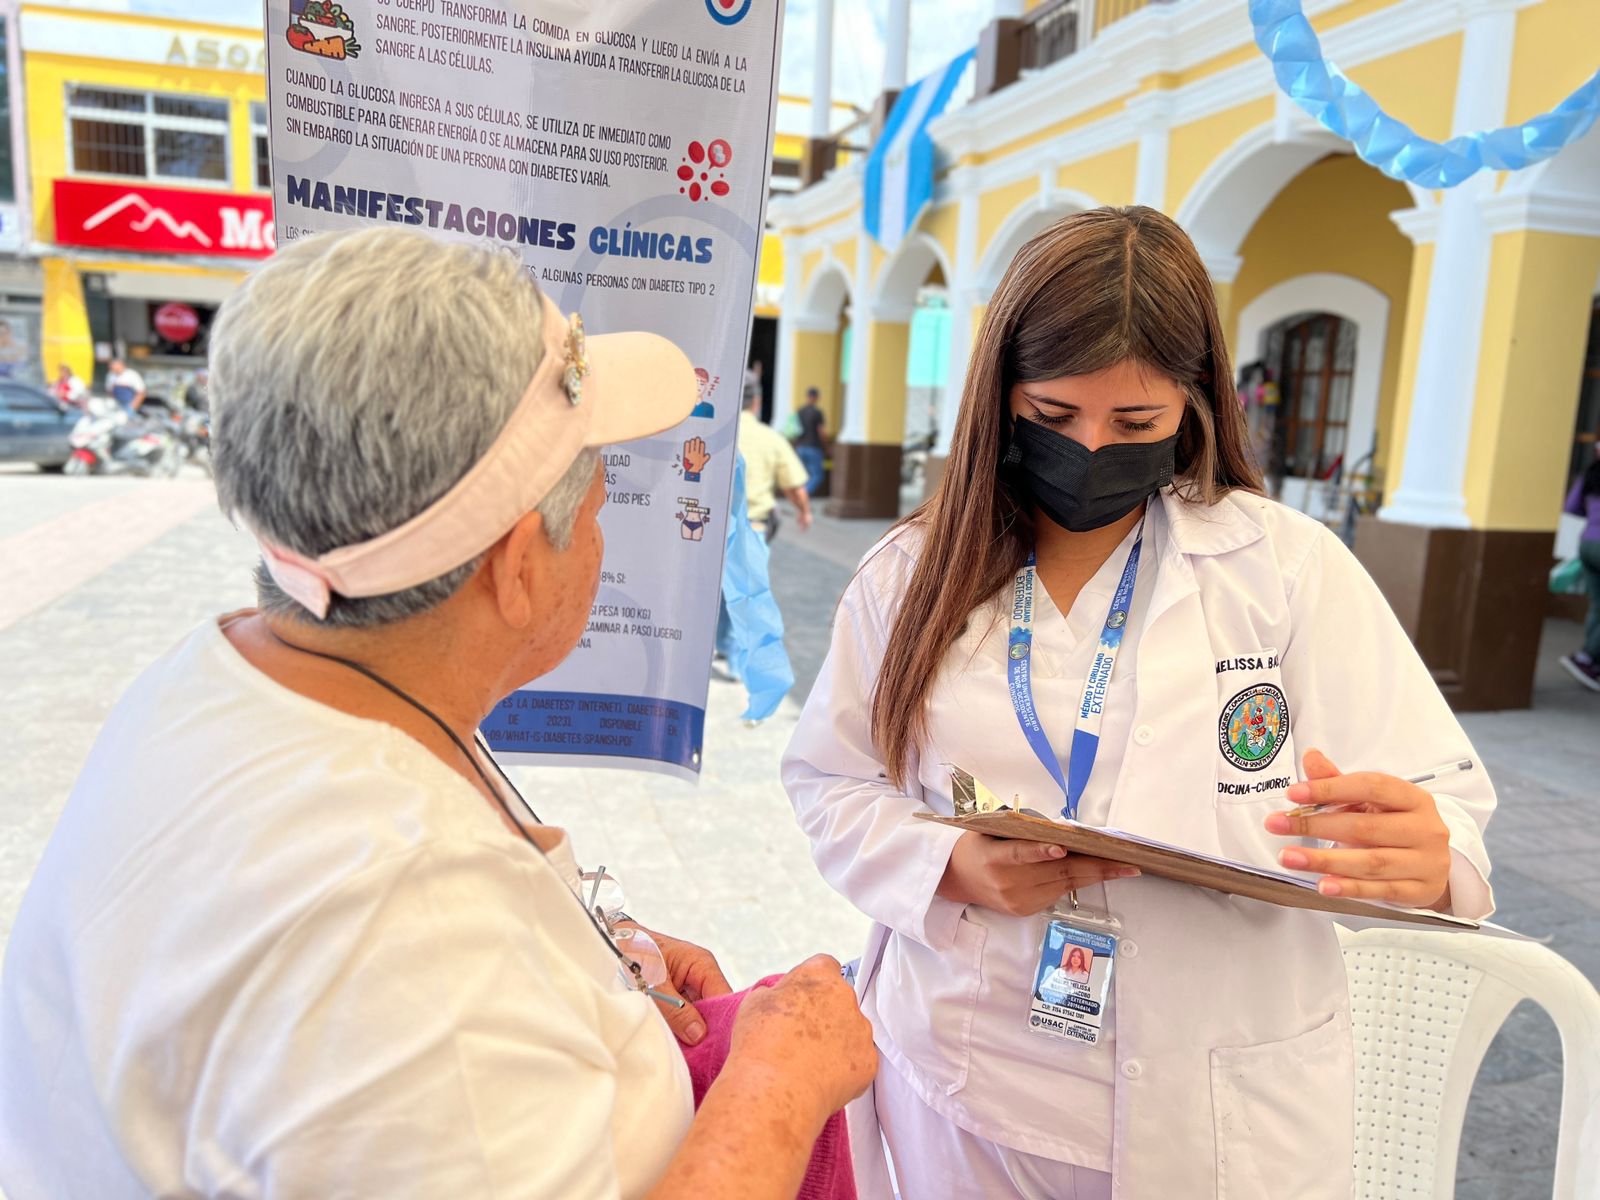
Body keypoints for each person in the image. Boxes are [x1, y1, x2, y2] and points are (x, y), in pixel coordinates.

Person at [0, 228, 875, 1199]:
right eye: (596, 509)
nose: (600, 539)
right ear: (517, 564)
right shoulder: (404, 926)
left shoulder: (238, 669)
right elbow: (407, 969)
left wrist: (577, 963)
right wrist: (779, 1083)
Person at [784, 207, 1495, 1200]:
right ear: (1000, 396)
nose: (1089, 449)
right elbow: (830, 779)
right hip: (972, 1071)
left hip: (1222, 1093)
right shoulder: (911, 574)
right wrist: (945, 865)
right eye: (1053, 415)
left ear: (1192, 407)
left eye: (1134, 424)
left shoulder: (1282, 569)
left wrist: (1428, 851)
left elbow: (1439, 797)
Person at [739, 384, 812, 541]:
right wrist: (804, 511)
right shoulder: (771, 438)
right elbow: (794, 487)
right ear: (757, 402)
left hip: (715, 523)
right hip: (755, 524)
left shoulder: (715, 437)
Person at [1559, 437, 1600, 691]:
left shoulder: (1590, 475)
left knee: (1597, 604)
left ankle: (1587, 659)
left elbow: (1571, 507)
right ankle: (1588, 658)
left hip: (1587, 543)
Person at [794, 386, 830, 496]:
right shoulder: (817, 412)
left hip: (801, 447)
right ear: (815, 397)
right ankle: (803, 496)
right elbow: (821, 432)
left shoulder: (800, 411)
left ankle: (800, 496)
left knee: (802, 475)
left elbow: (795, 429)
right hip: (813, 447)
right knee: (817, 475)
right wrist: (826, 447)